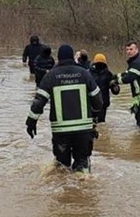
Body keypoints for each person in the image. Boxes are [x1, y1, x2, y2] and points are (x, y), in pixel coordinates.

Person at [26, 44, 103, 173]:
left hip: (61, 131)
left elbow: (38, 102)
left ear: (58, 58)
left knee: (62, 168)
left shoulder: (51, 76)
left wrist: (31, 122)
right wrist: (94, 117)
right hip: (83, 131)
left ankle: (64, 191)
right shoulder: (84, 74)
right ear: (72, 56)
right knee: (82, 165)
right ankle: (83, 187)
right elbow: (98, 101)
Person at [90, 53, 120, 124]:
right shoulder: (89, 73)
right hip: (91, 103)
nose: (100, 65)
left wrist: (115, 87)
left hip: (103, 104)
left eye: (101, 63)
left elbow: (115, 91)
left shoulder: (108, 74)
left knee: (101, 124)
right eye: (98, 63)